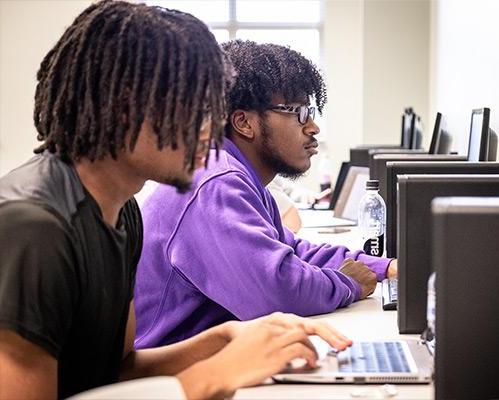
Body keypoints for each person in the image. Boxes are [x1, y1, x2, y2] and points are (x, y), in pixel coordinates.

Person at [0, 2, 351, 399]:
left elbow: (116, 370)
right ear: (127, 107)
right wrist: (210, 377)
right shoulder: (33, 226)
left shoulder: (120, 210)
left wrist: (224, 340)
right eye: (197, 108)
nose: (210, 129)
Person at [134, 40, 398, 349]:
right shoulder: (216, 182)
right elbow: (277, 290)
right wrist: (348, 283)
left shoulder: (238, 176)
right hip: (174, 378)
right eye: (298, 112)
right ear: (245, 122)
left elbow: (293, 250)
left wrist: (382, 267)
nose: (313, 127)